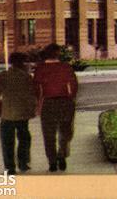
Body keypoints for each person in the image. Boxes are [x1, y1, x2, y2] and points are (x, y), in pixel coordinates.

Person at [33, 43, 78, 172]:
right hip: (65, 102)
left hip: (48, 103)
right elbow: (74, 86)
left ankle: (52, 162)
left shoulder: (40, 69)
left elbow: (36, 89)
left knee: (49, 135)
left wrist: (38, 104)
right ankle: (62, 154)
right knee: (65, 132)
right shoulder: (66, 67)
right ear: (58, 54)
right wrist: (71, 97)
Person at [0, 52, 36, 175]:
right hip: (22, 113)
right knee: (24, 139)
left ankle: (9, 167)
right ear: (21, 63)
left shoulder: (2, 76)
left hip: (7, 113)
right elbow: (32, 95)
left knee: (7, 141)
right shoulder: (27, 77)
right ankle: (23, 163)